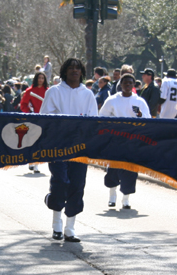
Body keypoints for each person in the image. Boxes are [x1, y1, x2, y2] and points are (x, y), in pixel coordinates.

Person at [41, 58, 98, 242]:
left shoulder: (88, 94)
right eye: (71, 68)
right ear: (64, 71)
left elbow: (93, 122)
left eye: (78, 68)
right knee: (61, 181)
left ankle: (70, 228)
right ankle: (56, 223)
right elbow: (44, 118)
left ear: (82, 72)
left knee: (77, 185)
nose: (74, 71)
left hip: (79, 148)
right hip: (58, 146)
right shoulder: (54, 92)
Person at [99, 73, 150, 209]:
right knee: (114, 169)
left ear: (133, 85)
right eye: (125, 83)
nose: (127, 85)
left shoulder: (140, 102)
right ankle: (112, 194)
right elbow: (102, 118)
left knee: (130, 170)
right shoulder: (111, 100)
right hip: (115, 140)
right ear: (120, 85)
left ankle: (126, 198)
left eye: (130, 83)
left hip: (132, 141)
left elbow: (147, 120)